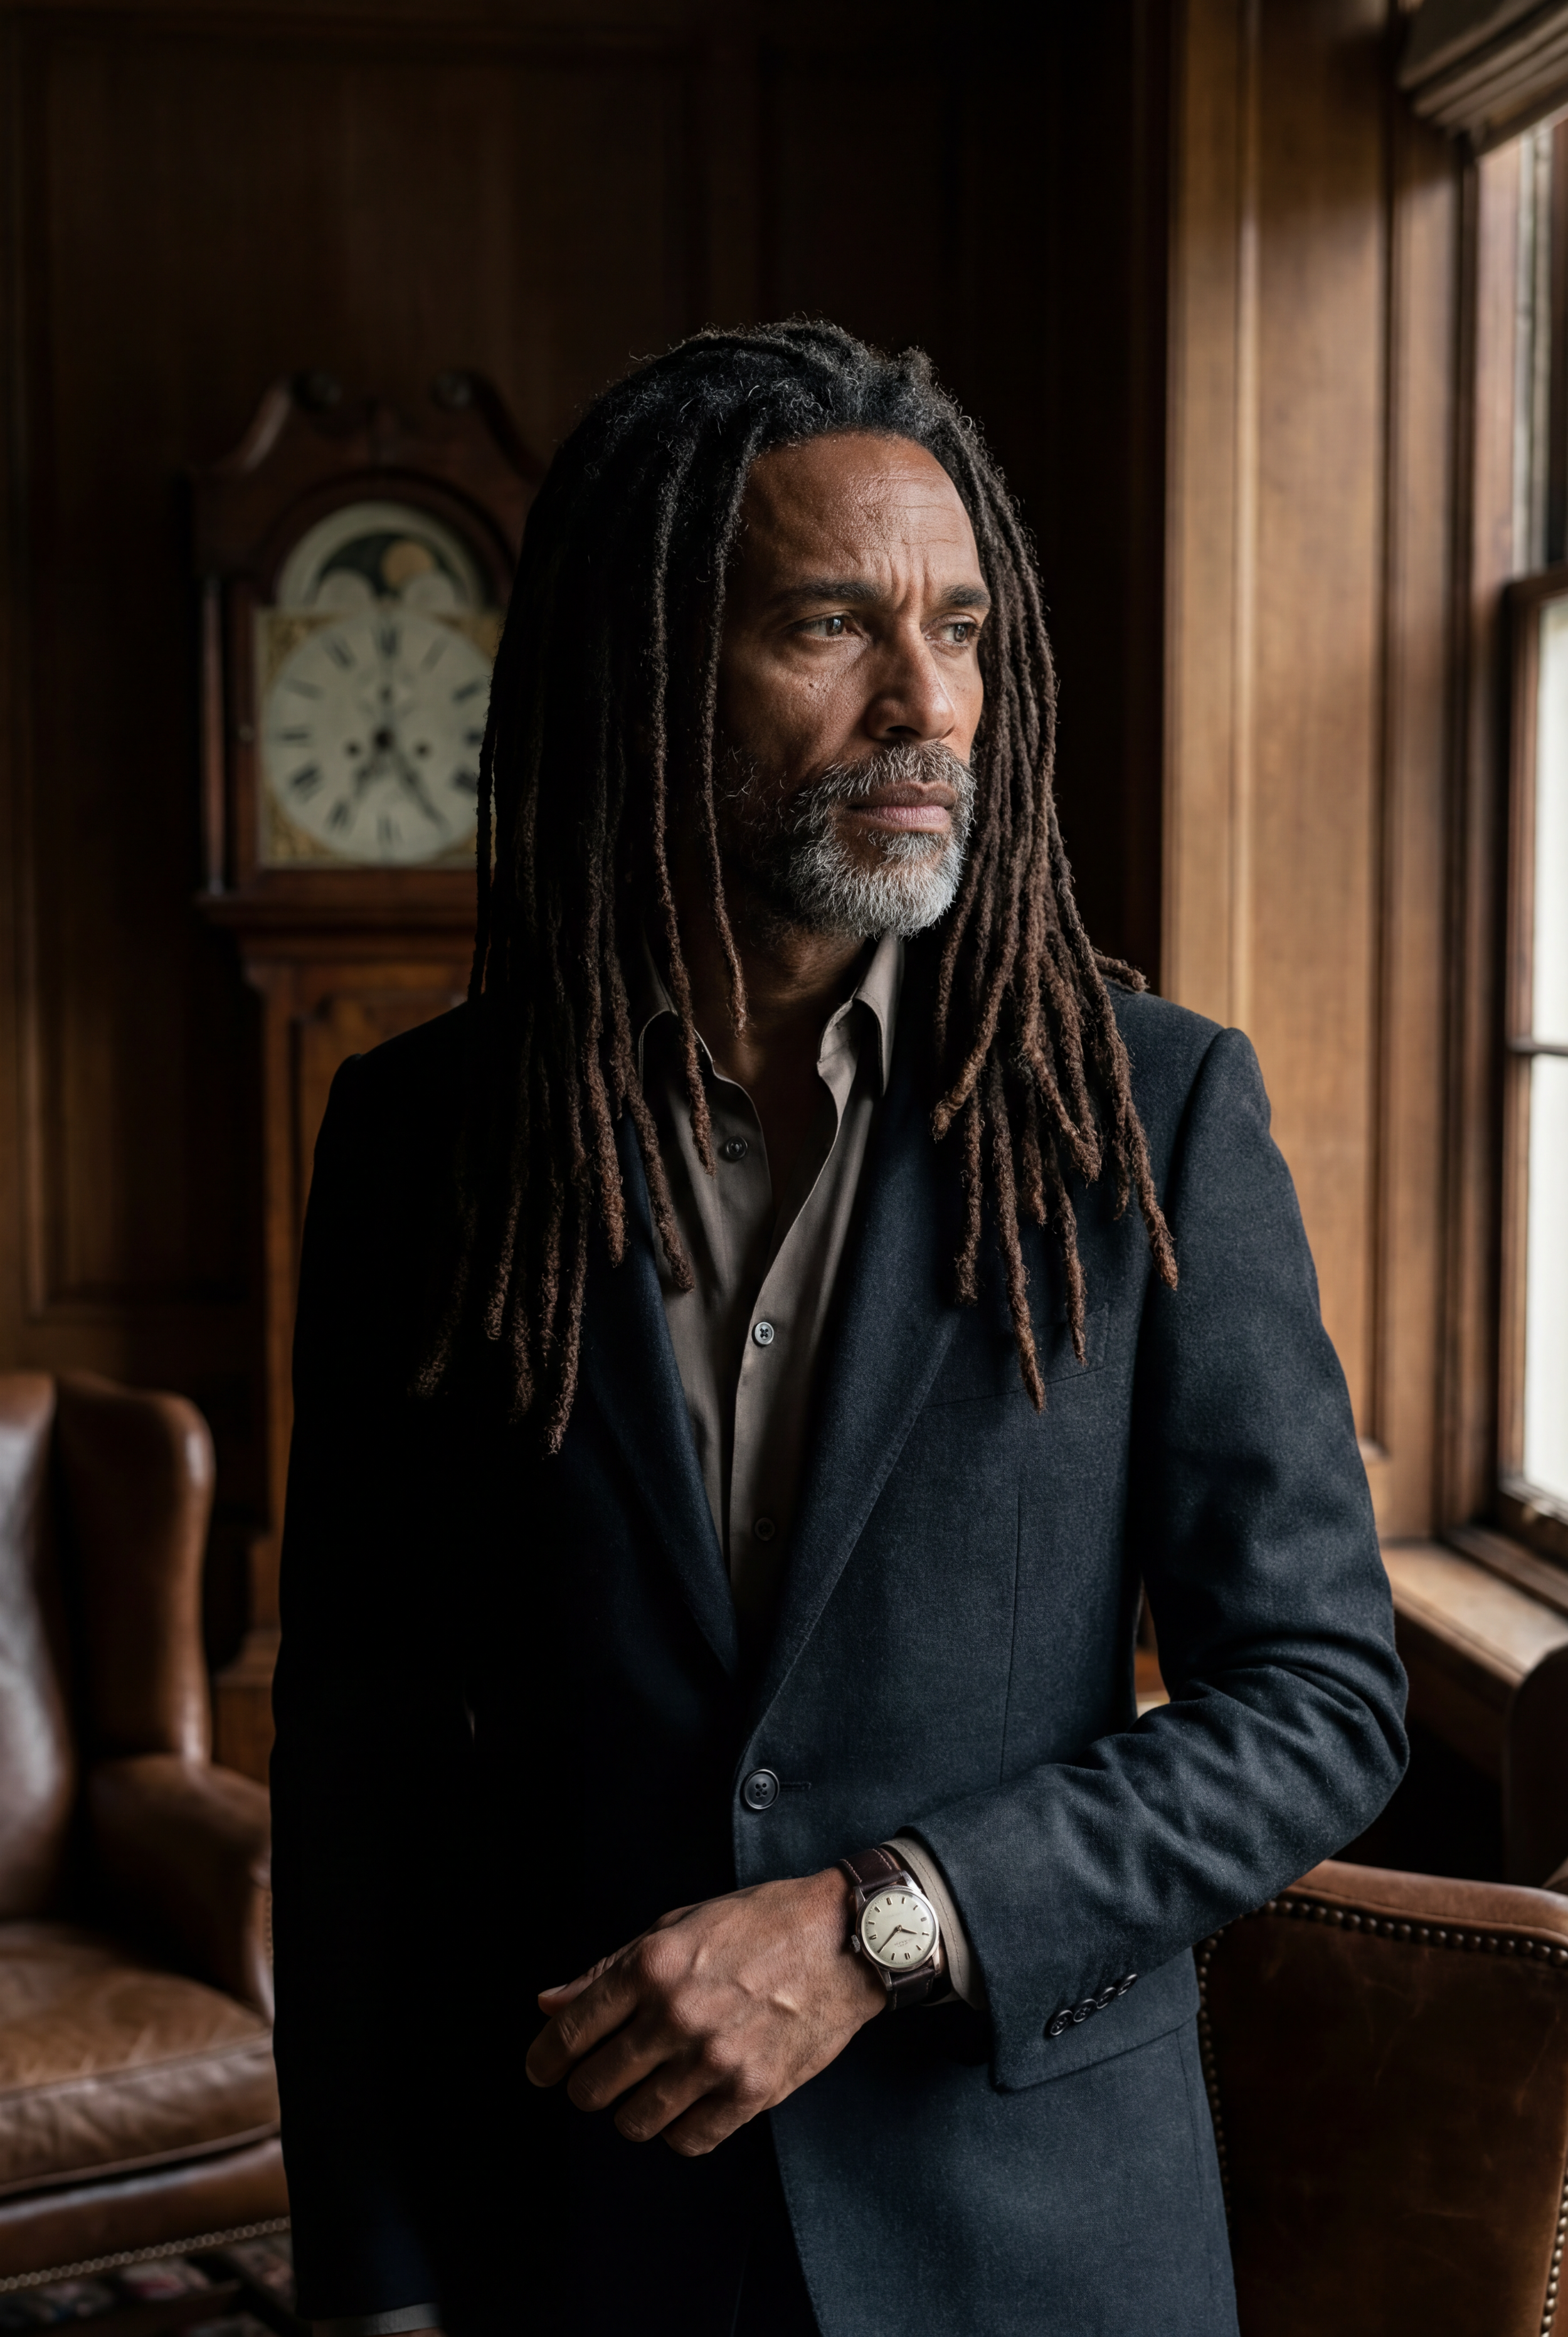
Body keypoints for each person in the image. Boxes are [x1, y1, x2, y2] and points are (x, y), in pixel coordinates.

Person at [270, 322, 1406, 2337]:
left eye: (960, 631)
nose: (927, 704)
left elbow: (1318, 1698)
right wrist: (370, 2266)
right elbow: (352, 1752)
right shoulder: (420, 1144)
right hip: (580, 2242)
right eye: (828, 626)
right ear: (647, 679)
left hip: (1036, 2247)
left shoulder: (1150, 1114)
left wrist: (893, 1917)